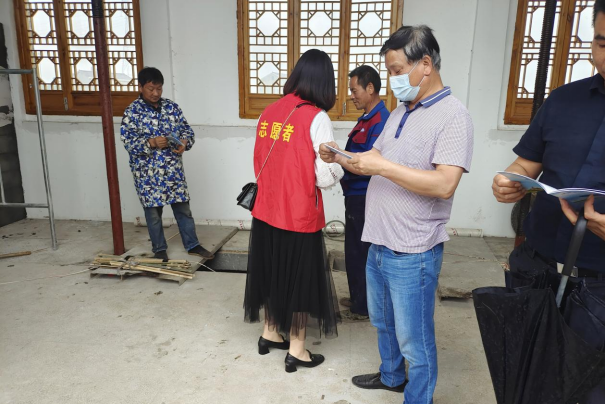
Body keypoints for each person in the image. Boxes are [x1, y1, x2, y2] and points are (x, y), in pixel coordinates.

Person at [320, 25, 473, 404]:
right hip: (379, 241)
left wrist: (382, 167)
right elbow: (372, 160)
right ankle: (391, 376)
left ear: (426, 64)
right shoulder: (401, 112)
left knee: (414, 339)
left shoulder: (454, 116)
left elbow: (444, 184)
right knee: (383, 322)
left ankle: (418, 398)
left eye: (397, 70)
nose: (392, 80)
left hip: (413, 250)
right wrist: (339, 155)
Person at [492, 2, 605, 401]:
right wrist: (510, 179)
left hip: (599, 283)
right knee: (527, 372)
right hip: (537, 267)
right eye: (603, 43)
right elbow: (528, 161)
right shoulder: (563, 100)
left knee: (587, 385)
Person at [243, 49, 343, 373]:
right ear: (324, 82)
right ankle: (297, 350)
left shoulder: (268, 112)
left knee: (272, 271)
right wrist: (341, 164)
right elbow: (324, 177)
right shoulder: (317, 117)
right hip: (298, 214)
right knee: (300, 279)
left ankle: (270, 332)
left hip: (266, 210)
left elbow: (260, 160)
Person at [120, 67, 214, 261]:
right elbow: (128, 142)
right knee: (153, 214)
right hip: (148, 175)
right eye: (151, 89)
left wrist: (184, 142)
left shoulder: (171, 108)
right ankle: (159, 249)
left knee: (183, 209)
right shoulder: (132, 112)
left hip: (172, 171)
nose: (155, 93)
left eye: (159, 89)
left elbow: (187, 131)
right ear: (141, 87)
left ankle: (193, 245)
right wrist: (151, 143)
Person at [340, 65, 390, 321]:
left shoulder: (381, 121)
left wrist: (338, 156)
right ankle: (358, 298)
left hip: (366, 195)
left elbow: (370, 163)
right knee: (353, 249)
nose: (352, 96)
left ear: (370, 88)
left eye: (354, 90)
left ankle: (365, 305)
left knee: (363, 251)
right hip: (355, 194)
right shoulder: (366, 119)